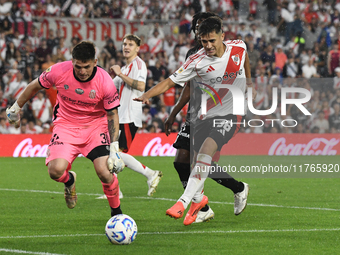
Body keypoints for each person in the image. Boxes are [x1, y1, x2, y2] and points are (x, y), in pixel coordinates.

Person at [135, 17, 257, 225]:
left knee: (205, 153)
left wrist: (249, 84)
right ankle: (207, 200)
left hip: (232, 114)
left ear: (222, 36)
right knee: (188, 161)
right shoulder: (196, 60)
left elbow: (244, 60)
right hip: (203, 115)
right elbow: (170, 82)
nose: (208, 46)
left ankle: (184, 202)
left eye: (211, 41)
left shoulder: (238, 46)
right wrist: (149, 94)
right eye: (203, 41)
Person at [6, 41, 125, 217]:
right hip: (66, 126)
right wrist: (16, 108)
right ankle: (69, 181)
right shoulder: (59, 71)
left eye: (86, 66)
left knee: (104, 172)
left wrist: (114, 147)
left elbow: (112, 114)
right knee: (55, 171)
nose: (82, 71)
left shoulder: (105, 81)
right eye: (78, 66)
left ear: (95, 61)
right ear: (72, 61)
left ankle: (117, 213)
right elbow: (34, 86)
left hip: (95, 126)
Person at [109, 34, 162, 197]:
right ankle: (114, 190)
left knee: (116, 153)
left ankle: (150, 174)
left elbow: (140, 85)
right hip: (121, 116)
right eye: (124, 44)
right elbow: (111, 87)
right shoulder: (124, 68)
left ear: (137, 48)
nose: (126, 47)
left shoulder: (139, 64)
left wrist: (119, 74)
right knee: (112, 152)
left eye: (130, 44)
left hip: (130, 116)